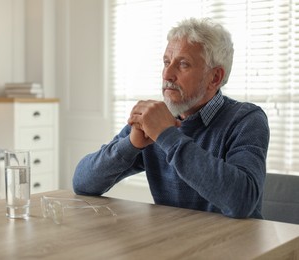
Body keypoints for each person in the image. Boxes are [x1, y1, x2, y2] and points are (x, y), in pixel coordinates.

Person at [72, 18, 270, 219]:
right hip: (175, 240)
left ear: (215, 78)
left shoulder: (246, 119)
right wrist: (131, 144)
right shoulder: (155, 117)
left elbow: (241, 201)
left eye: (183, 64)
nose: (167, 74)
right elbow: (82, 183)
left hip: (236, 246)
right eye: (166, 62)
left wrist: (167, 135)